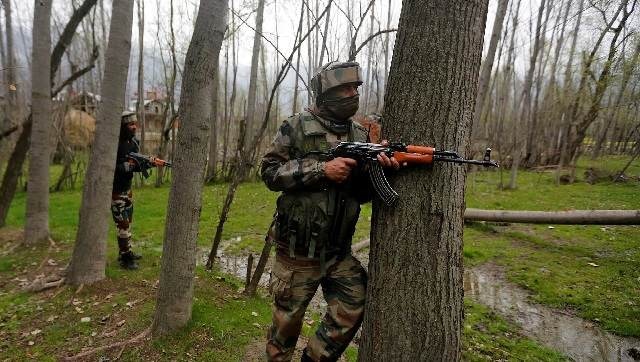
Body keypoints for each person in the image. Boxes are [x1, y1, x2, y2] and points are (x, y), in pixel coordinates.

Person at [261, 61, 399, 362]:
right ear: (325, 92)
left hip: (338, 254)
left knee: (354, 302)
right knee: (284, 330)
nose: (352, 94)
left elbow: (360, 194)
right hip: (296, 255)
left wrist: (380, 172)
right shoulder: (295, 126)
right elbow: (270, 173)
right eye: (344, 88)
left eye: (355, 88)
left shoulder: (361, 135)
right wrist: (321, 169)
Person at [112, 111, 146, 270]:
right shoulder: (114, 144)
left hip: (127, 189)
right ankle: (125, 258)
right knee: (122, 224)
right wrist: (124, 166)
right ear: (123, 126)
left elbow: (135, 163)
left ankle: (126, 251)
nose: (134, 127)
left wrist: (144, 164)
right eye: (131, 124)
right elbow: (108, 166)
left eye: (135, 124)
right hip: (115, 191)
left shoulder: (133, 143)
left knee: (127, 224)